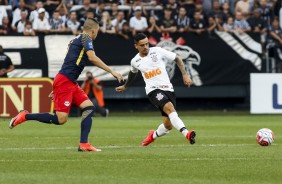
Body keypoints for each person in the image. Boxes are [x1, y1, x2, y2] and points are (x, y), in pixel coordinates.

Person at [9, 18, 123, 152]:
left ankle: (84, 144)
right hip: (65, 81)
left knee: (89, 107)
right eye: (96, 32)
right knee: (61, 119)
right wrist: (112, 71)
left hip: (68, 81)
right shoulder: (86, 38)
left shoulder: (76, 39)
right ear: (93, 31)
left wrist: (57, 87)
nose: (96, 35)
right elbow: (92, 58)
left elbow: (68, 62)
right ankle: (25, 116)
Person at [115, 33, 196, 146]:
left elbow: (177, 58)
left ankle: (152, 136)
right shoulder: (135, 61)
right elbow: (133, 73)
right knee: (170, 108)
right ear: (136, 46)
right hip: (153, 90)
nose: (146, 47)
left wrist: (185, 75)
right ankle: (187, 133)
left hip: (168, 89)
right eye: (142, 45)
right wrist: (125, 86)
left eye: (147, 44)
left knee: (168, 126)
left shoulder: (157, 51)